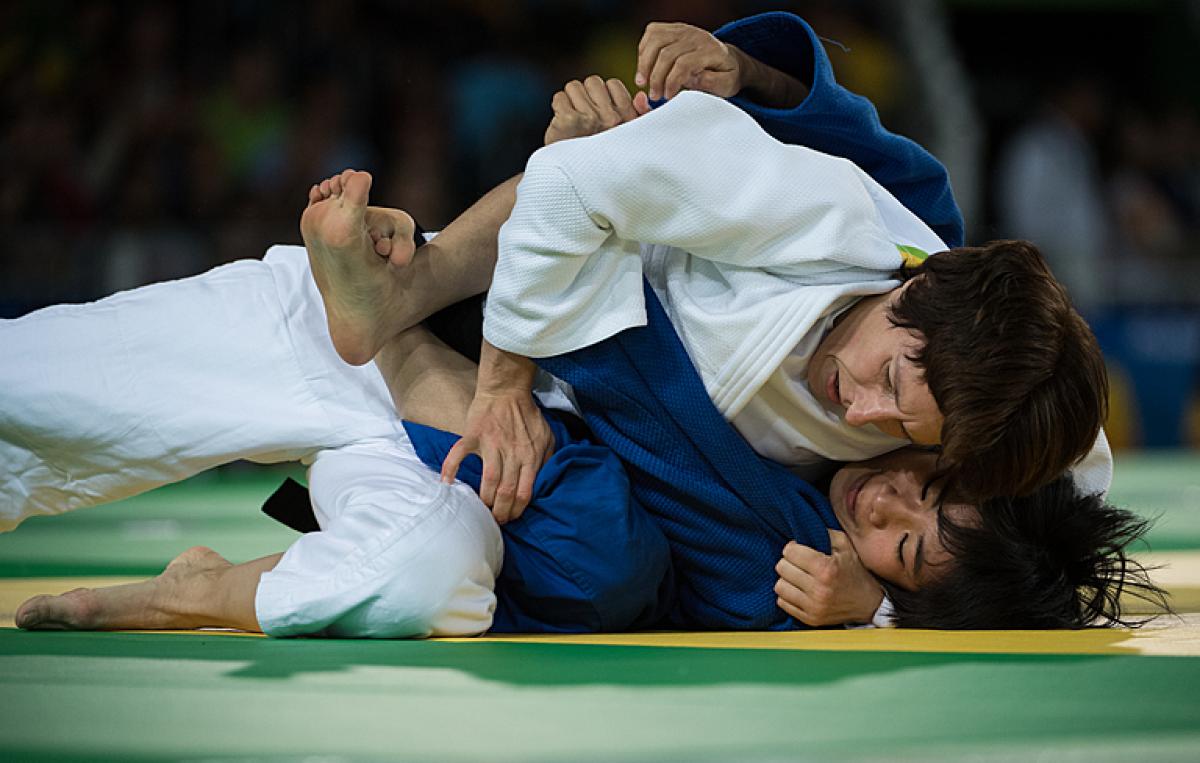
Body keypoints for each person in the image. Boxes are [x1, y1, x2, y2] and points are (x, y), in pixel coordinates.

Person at [7, 226, 1160, 636]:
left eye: (905, 542)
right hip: (344, 330)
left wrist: (886, 601)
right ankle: (392, 334)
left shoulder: (794, 567)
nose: (883, 497)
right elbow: (1075, 453)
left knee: (425, 582)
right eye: (923, 487)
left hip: (441, 466)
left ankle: (194, 587)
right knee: (29, 389)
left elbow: (951, 573)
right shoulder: (901, 342)